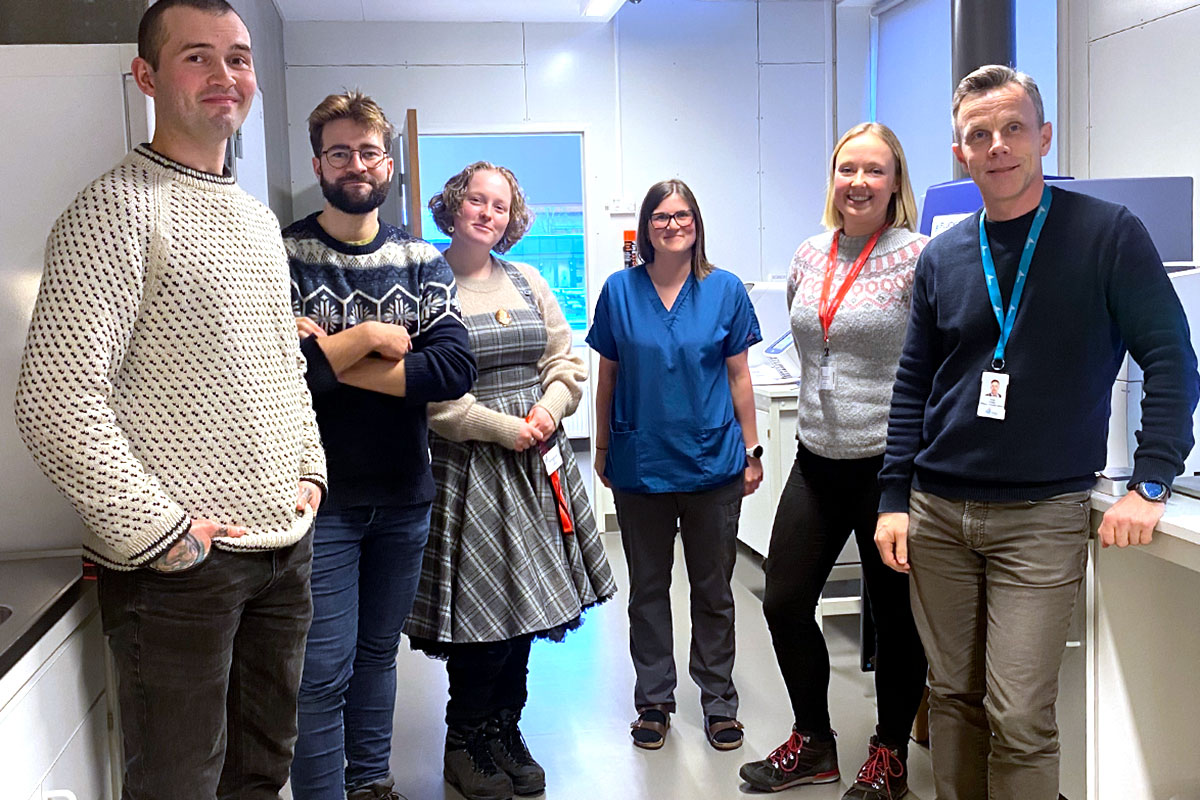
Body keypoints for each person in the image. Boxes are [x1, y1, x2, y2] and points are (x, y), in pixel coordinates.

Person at [13, 1, 327, 796]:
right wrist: (163, 535)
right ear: (146, 76)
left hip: (282, 550)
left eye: (239, 57)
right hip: (181, 572)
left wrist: (311, 476)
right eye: (198, 57)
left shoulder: (256, 221)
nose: (226, 76)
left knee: (262, 773)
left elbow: (283, 372)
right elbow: (56, 399)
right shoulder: (114, 210)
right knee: (178, 784)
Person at [875, 65, 1200, 800]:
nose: (998, 146)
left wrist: (1152, 478)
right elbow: (913, 385)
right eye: (978, 135)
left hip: (1041, 515)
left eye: (1013, 128)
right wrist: (894, 495)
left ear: (1044, 136)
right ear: (960, 153)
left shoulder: (1107, 234)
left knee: (1019, 713)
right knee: (952, 696)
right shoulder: (944, 255)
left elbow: (1172, 357)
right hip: (937, 509)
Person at [404, 161, 617, 800]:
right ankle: (464, 740)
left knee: (526, 611)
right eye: (476, 200)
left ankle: (505, 730)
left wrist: (548, 411)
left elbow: (563, 360)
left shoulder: (526, 281)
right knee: (482, 614)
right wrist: (505, 429)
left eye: (499, 206)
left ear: (511, 218)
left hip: (533, 466)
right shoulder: (423, 284)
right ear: (454, 204)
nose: (487, 214)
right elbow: (430, 397)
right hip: (469, 470)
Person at [284, 91, 476, 800]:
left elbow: (452, 370)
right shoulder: (287, 255)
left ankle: (370, 782)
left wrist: (330, 356)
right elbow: (281, 379)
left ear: (388, 162)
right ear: (319, 164)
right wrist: (368, 338)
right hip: (323, 499)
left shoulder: (421, 259)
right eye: (340, 153)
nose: (356, 165)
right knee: (323, 666)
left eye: (368, 153)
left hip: (404, 496)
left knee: (376, 655)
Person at [739, 123, 929, 800]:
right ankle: (815, 742)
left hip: (889, 469)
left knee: (894, 618)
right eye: (848, 169)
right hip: (817, 459)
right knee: (785, 601)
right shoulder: (809, 253)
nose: (858, 182)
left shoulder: (919, 259)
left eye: (875, 171)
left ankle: (890, 754)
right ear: (833, 178)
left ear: (896, 182)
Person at [588, 178, 763, 752]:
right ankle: (654, 702)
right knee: (648, 590)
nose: (672, 225)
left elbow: (739, 375)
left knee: (714, 590)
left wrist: (752, 449)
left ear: (697, 224)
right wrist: (603, 448)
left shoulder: (726, 289)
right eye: (660, 216)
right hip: (642, 464)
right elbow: (607, 377)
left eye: (682, 215)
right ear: (646, 226)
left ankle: (718, 701)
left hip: (713, 462)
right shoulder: (619, 290)